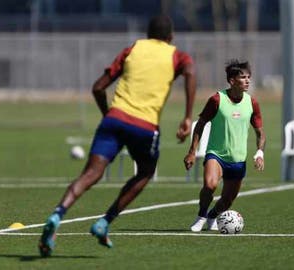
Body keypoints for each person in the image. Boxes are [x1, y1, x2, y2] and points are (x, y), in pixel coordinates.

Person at [38, 15, 196, 257]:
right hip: (145, 126)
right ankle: (105, 222)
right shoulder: (176, 55)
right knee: (145, 171)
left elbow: (98, 87)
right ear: (170, 36)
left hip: (114, 119)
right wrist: (187, 117)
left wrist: (107, 116)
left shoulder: (132, 49)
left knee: (90, 173)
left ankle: (58, 213)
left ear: (147, 35)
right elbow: (191, 72)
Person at [184, 60, 266, 232]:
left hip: (238, 160)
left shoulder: (252, 103)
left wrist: (259, 153)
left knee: (227, 200)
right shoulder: (216, 100)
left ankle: (213, 215)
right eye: (243, 77)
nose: (247, 81)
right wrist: (192, 152)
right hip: (216, 155)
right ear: (232, 81)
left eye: (249, 77)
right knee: (210, 185)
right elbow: (201, 124)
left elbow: (260, 133)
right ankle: (201, 215)